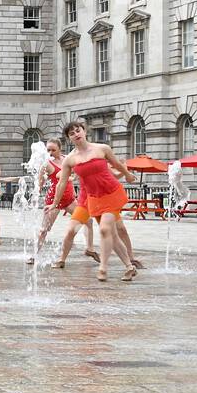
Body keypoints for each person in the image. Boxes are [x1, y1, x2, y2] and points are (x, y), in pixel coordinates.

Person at [54, 120, 138, 282]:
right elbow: (62, 182)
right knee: (111, 233)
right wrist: (55, 203)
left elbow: (116, 165)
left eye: (78, 130)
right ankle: (129, 266)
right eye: (71, 133)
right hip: (93, 198)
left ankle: (103, 269)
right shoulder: (70, 160)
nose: (76, 134)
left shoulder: (102, 149)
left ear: (84, 131)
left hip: (112, 193)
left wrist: (127, 175)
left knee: (106, 229)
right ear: (69, 139)